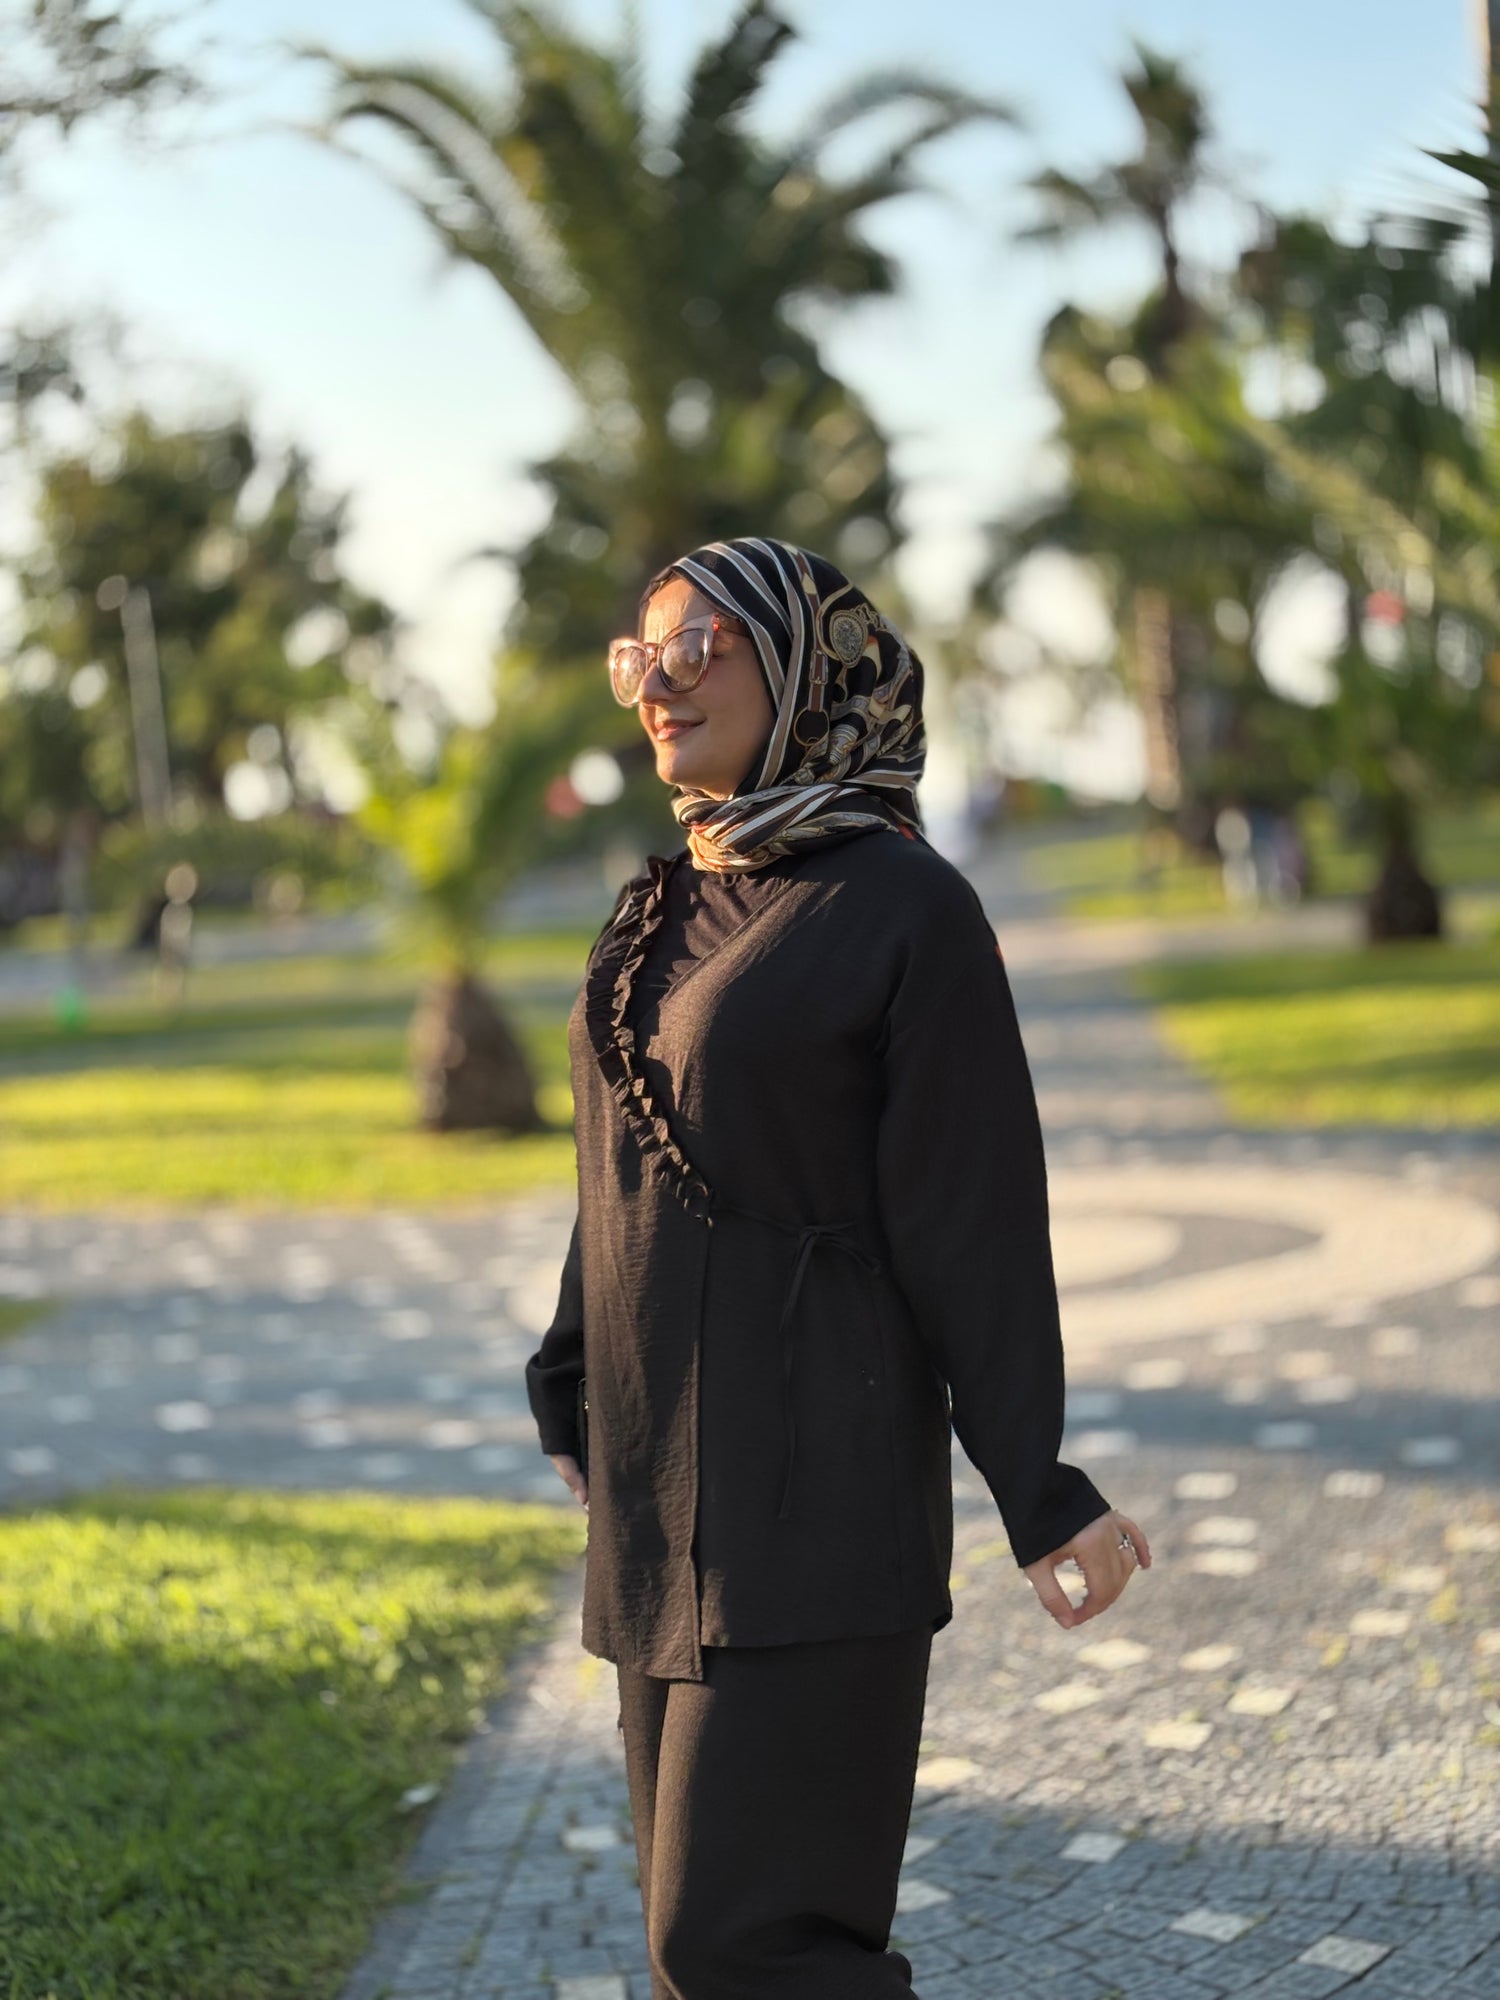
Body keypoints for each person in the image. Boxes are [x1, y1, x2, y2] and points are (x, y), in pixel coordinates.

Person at [525, 535, 1152, 1999]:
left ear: (809, 665)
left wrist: (1040, 1486)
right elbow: (619, 1155)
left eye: (700, 648)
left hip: (817, 1494)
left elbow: (972, 1218)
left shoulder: (904, 908)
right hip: (660, 1493)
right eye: (641, 656)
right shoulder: (659, 905)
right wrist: (569, 1372)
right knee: (690, 1953)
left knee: (745, 1947)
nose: (661, 684)